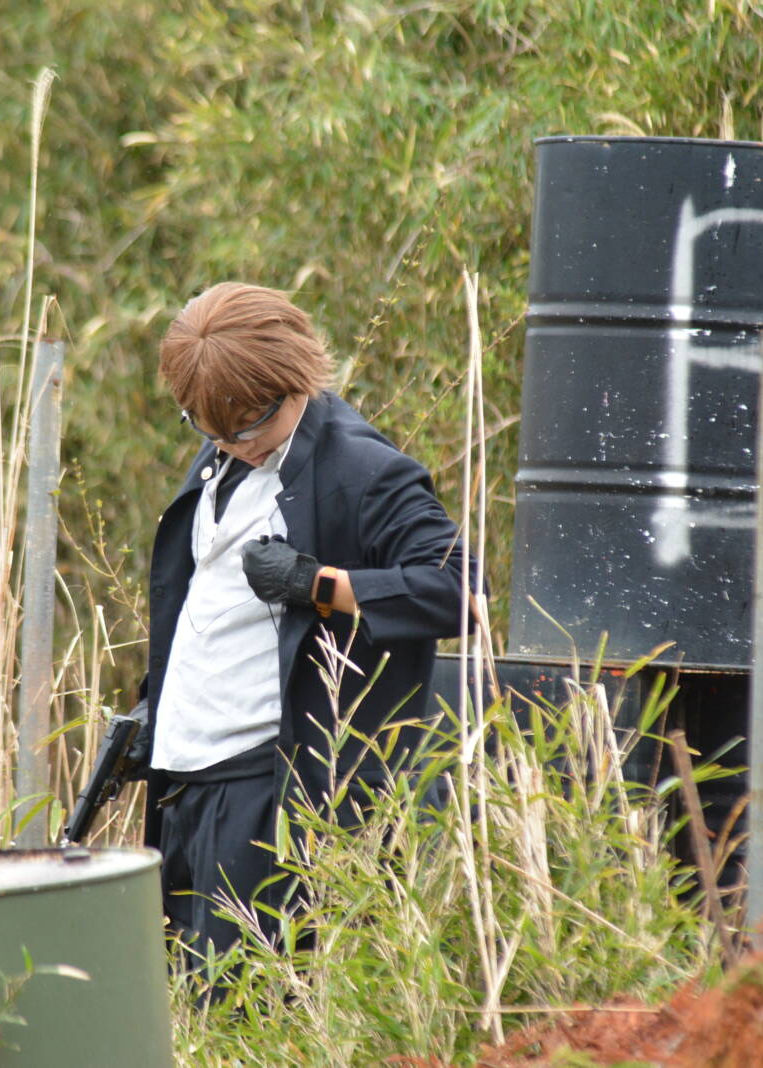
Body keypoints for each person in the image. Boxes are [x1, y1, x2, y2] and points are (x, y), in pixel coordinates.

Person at [134, 281, 476, 962]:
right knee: (179, 1006)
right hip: (183, 793)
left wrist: (315, 584)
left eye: (249, 425)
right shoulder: (226, 454)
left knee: (248, 1004)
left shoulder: (363, 469)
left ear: (294, 379)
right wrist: (155, 709)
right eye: (210, 429)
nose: (236, 445)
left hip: (266, 795)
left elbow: (461, 592)